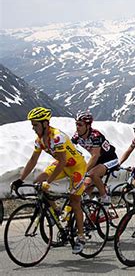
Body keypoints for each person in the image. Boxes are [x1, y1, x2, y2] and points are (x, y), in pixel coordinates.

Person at [11, 107, 87, 253]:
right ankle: (56, 210)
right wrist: (20, 179)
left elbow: (63, 162)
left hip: (76, 166)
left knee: (75, 200)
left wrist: (49, 182)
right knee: (38, 182)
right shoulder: (40, 139)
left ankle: (81, 236)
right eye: (32, 125)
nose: (33, 128)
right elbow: (33, 159)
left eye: (35, 125)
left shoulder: (57, 137)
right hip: (61, 164)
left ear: (45, 124)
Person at [71, 111, 119, 205]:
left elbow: (95, 156)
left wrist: (83, 171)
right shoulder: (77, 136)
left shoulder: (95, 136)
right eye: (76, 124)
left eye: (80, 125)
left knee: (92, 174)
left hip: (110, 159)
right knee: (85, 187)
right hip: (98, 161)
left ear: (88, 126)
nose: (77, 127)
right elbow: (71, 151)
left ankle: (105, 198)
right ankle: (87, 207)